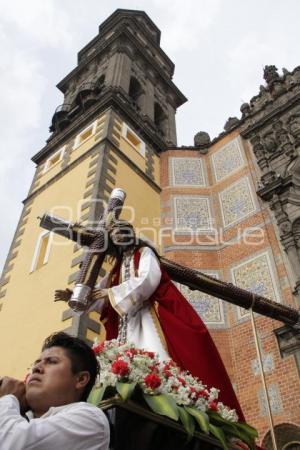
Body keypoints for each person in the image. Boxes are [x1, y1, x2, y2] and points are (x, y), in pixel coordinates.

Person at [86, 221, 245, 421]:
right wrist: (80, 298)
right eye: (114, 234)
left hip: (147, 316)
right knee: (125, 362)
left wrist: (110, 292)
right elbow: (100, 294)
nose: (117, 236)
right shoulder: (116, 269)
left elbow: (148, 279)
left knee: (156, 358)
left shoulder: (144, 253)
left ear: (130, 233)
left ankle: (168, 399)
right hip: (124, 324)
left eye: (121, 231)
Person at [0, 331, 110, 450]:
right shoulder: (17, 416)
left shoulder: (90, 419)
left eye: (51, 361)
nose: (36, 368)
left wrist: (9, 397)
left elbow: (9, 443)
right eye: (37, 363)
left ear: (81, 379)